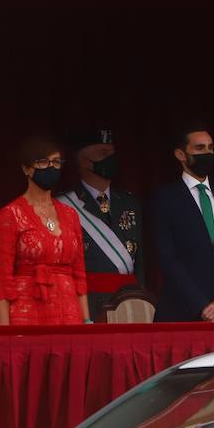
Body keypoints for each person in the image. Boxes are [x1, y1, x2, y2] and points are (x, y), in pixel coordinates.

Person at [151, 123, 214, 324]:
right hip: (182, 313)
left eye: (210, 147)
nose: (207, 153)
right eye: (199, 148)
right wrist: (203, 306)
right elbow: (168, 259)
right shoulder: (165, 199)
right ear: (181, 154)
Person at [0, 136, 90, 325]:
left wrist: (87, 321)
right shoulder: (10, 214)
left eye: (56, 162)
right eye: (43, 162)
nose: (51, 168)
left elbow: (80, 275)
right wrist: (5, 331)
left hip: (68, 313)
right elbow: (1, 280)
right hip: (27, 312)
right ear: (27, 168)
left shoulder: (70, 214)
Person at [57, 128, 143, 316]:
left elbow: (141, 261)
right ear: (83, 160)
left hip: (130, 302)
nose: (109, 158)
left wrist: (141, 296)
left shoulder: (130, 203)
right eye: (103, 153)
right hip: (88, 303)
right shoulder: (64, 205)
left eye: (112, 153)